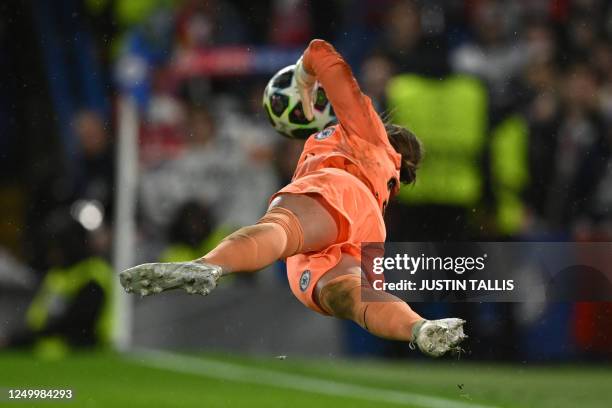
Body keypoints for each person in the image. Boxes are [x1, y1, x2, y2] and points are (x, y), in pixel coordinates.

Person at [120, 39, 466, 357]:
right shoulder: (387, 179)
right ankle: (419, 328)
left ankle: (209, 265)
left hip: (337, 191)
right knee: (355, 299)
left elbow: (320, 51)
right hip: (365, 230)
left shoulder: (367, 131)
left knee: (280, 227)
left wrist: (302, 80)